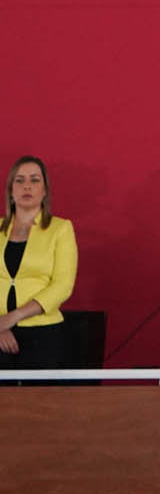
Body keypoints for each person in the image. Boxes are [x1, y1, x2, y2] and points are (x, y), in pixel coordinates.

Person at [0, 157, 78, 368]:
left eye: (35, 180)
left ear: (44, 191)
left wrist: (13, 317)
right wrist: (2, 326)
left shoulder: (60, 229)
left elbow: (63, 285)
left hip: (42, 332)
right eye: (20, 180)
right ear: (10, 191)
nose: (27, 186)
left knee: (39, 400)